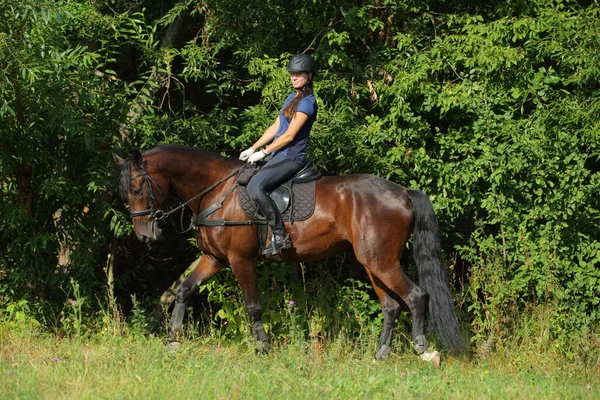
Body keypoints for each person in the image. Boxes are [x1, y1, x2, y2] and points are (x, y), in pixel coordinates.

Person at [239, 53, 318, 255]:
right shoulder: (292, 98)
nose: (294, 78)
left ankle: (280, 235)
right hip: (277, 155)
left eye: (298, 74)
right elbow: (276, 127)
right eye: (292, 74)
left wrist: (264, 152)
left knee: (256, 187)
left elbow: (289, 136)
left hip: (291, 157)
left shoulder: (307, 103)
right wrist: (253, 148)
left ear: (309, 76)